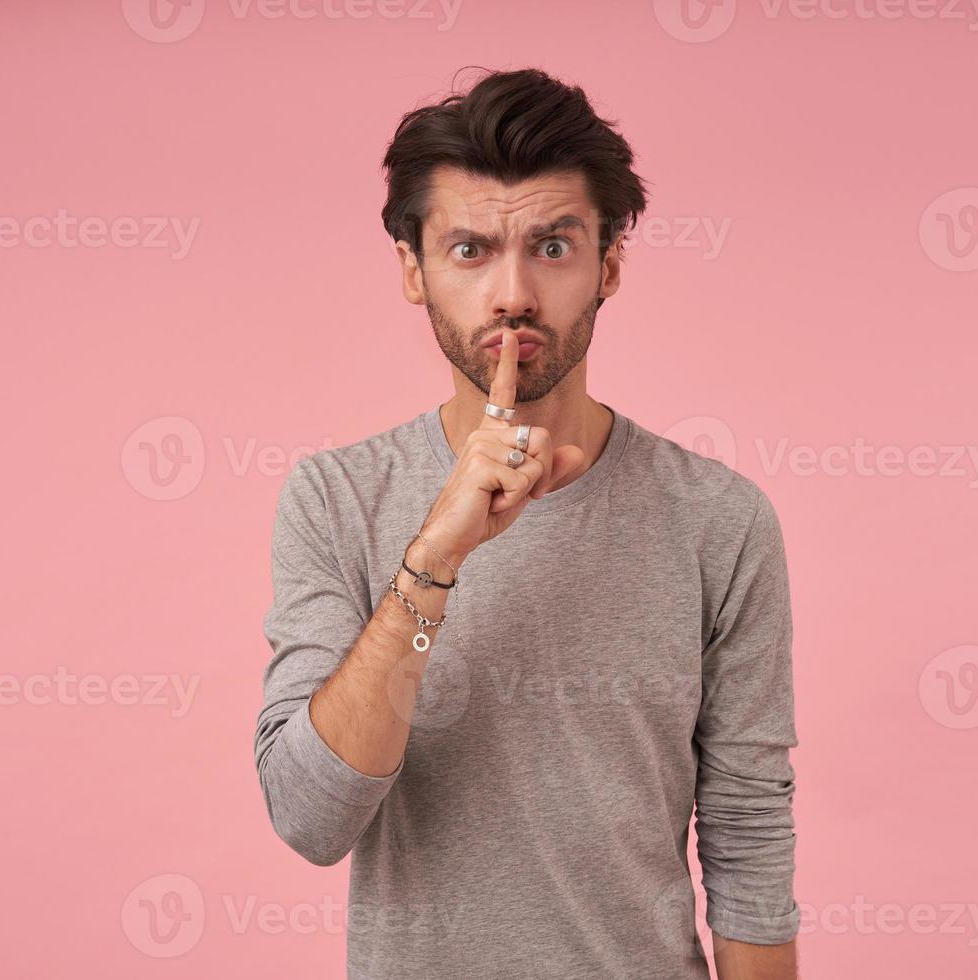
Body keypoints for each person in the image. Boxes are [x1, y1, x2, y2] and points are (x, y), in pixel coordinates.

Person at [256, 66, 800, 980]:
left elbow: (748, 831)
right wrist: (437, 555)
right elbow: (310, 818)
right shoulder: (336, 498)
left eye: (552, 247)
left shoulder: (720, 519)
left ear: (609, 264)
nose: (513, 296)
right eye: (470, 251)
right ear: (412, 270)